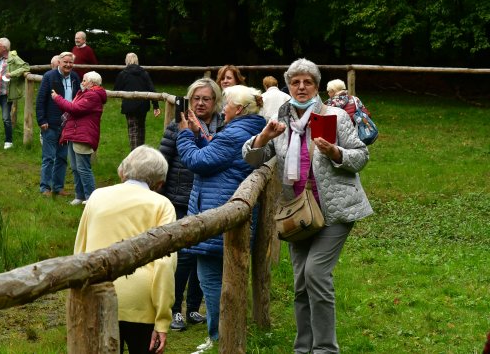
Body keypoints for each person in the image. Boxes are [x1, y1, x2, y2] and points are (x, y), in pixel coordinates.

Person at [242, 58, 373, 354]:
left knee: (315, 273)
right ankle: (304, 348)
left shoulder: (335, 116)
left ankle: (326, 348)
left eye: (308, 82)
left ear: (316, 86)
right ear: (288, 85)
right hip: (297, 213)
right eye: (296, 82)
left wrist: (336, 152)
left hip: (335, 210)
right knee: (301, 283)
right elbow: (251, 158)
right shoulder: (281, 118)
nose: (301, 87)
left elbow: (361, 156)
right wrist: (265, 137)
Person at [176, 84, 265, 351]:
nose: (221, 108)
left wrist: (184, 136)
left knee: (211, 280)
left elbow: (198, 162)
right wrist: (199, 134)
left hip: (217, 215)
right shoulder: (247, 129)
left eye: (225, 104)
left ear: (238, 109)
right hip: (225, 209)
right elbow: (219, 157)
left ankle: (218, 337)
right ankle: (227, 332)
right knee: (223, 279)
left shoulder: (234, 133)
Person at [74, 145, 177, 354]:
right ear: (159, 183)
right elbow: (164, 264)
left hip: (98, 295)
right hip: (141, 302)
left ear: (123, 172)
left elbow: (80, 251)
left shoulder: (96, 197)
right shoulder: (163, 205)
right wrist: (162, 320)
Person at [158, 78, 223, 332]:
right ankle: (175, 310)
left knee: (202, 254)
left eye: (206, 98)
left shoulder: (222, 128)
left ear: (215, 102)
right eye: (196, 98)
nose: (200, 103)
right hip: (180, 199)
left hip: (210, 201)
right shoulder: (177, 127)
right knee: (183, 256)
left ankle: (195, 307)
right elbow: (162, 161)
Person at [51, 71, 107, 205]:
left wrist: (57, 98)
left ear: (92, 83)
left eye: (84, 80)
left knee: (83, 168)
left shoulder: (93, 95)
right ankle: (79, 196)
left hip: (83, 135)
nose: (82, 82)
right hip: (74, 133)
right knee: (75, 167)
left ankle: (90, 198)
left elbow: (74, 108)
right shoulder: (84, 93)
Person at [36, 52, 80, 197]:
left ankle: (58, 187)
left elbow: (78, 98)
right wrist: (42, 120)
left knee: (62, 157)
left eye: (71, 62)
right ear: (59, 63)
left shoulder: (75, 77)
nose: (68, 65)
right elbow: (41, 99)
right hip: (51, 123)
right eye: (65, 62)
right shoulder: (49, 76)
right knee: (49, 157)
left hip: (67, 124)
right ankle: (45, 187)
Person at [0, 37, 30, 150]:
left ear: (4, 48)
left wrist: (12, 74)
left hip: (5, 94)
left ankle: (8, 141)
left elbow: (26, 66)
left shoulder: (13, 58)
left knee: (5, 118)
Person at [114, 52, 161, 151]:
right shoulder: (144, 73)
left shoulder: (123, 74)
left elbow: (116, 89)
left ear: (126, 61)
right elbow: (152, 89)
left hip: (129, 106)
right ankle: (140, 152)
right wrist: (155, 106)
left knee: (133, 130)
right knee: (141, 129)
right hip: (143, 105)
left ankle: (135, 154)